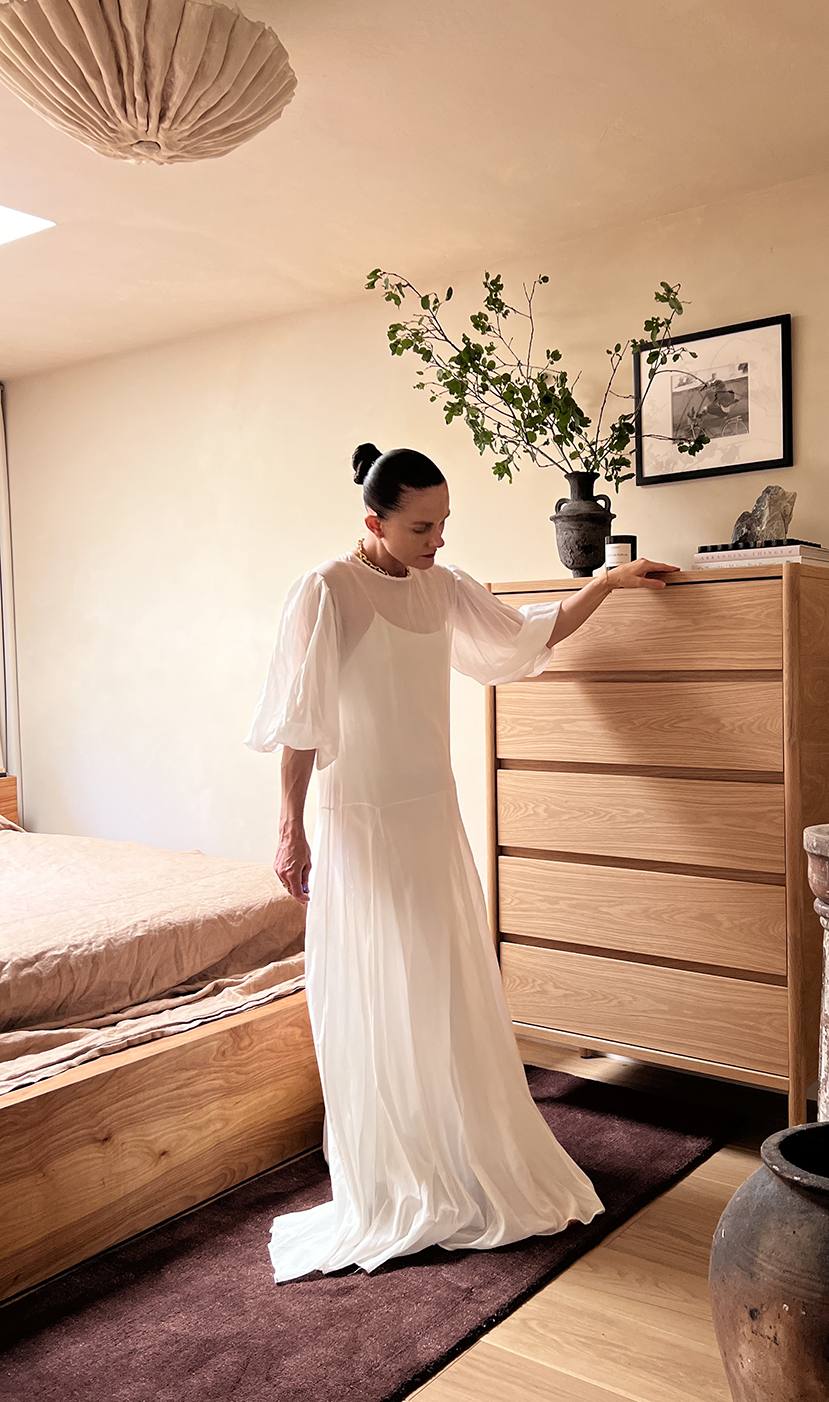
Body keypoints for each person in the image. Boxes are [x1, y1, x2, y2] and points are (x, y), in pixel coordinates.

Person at [246, 444, 676, 1282]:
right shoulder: (328, 591)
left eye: (444, 523)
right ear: (373, 522)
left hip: (428, 819)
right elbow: (304, 723)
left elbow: (521, 642)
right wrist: (289, 828)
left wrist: (605, 586)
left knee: (441, 984)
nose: (438, 540)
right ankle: (396, 1174)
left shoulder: (442, 587)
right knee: (381, 989)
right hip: (362, 821)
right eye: (421, 526)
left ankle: (456, 1153)